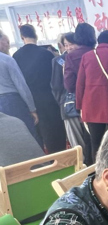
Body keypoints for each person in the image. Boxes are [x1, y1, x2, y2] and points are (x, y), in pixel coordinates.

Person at [13, 24, 67, 153]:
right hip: (49, 99)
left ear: (22, 37)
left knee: (36, 135)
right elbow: (56, 77)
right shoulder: (46, 54)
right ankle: (60, 160)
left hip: (29, 100)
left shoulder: (16, 56)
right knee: (55, 133)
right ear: (35, 35)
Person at [77, 30, 108, 161]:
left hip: (91, 106)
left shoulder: (87, 56)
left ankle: (97, 170)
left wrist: (79, 106)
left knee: (96, 143)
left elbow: (80, 83)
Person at [51, 32, 91, 164]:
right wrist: (62, 102)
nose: (69, 48)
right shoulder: (58, 61)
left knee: (88, 140)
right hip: (69, 106)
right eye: (66, 45)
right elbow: (56, 86)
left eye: (71, 44)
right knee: (77, 143)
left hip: (84, 104)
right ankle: (82, 167)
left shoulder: (87, 56)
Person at [0, 29, 39, 141]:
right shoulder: (7, 60)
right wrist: (32, 109)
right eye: (6, 41)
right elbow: (21, 86)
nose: (8, 45)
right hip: (12, 103)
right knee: (28, 136)